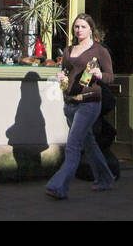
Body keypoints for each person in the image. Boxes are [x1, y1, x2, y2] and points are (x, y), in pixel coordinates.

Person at [45, 14, 116, 199]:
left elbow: (110, 77)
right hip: (70, 102)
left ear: (91, 29)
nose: (79, 30)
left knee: (73, 145)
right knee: (88, 142)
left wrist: (99, 74)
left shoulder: (99, 51)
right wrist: (62, 78)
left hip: (90, 102)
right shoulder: (69, 50)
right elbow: (67, 72)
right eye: (76, 26)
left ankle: (58, 186)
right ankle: (105, 178)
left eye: (83, 26)